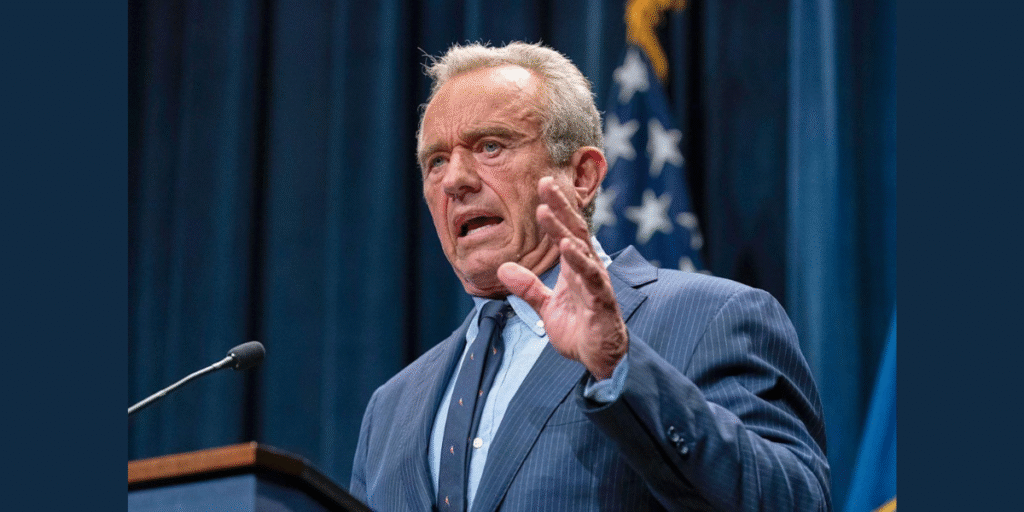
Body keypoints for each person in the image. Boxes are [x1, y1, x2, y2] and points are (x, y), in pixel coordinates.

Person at [350, 41, 831, 511]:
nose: (455, 179)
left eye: (490, 146)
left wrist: (619, 367)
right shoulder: (391, 408)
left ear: (581, 176)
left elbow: (795, 501)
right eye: (436, 161)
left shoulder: (713, 317)